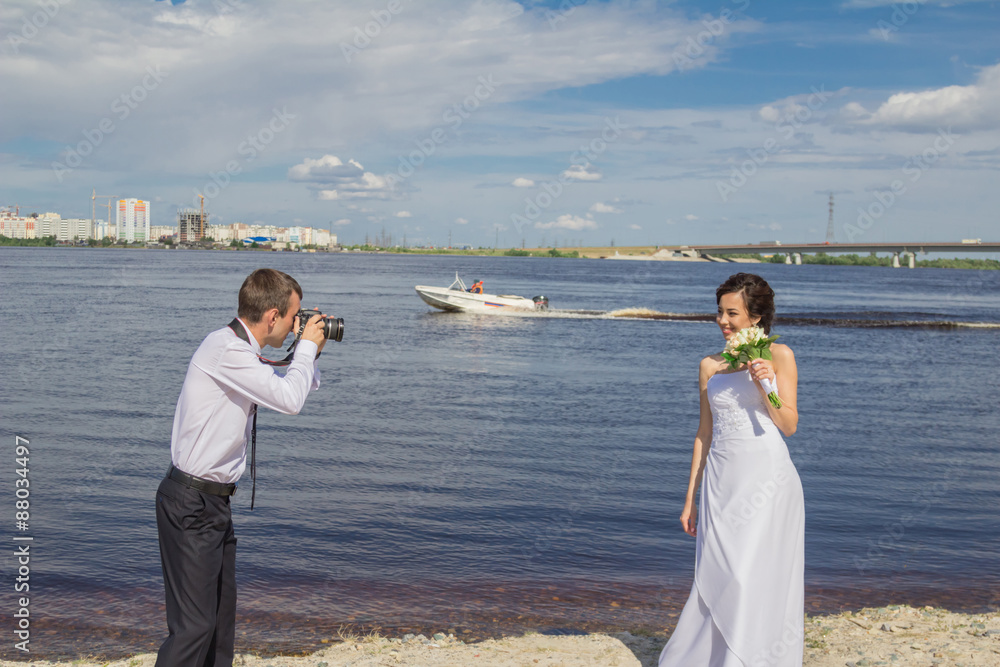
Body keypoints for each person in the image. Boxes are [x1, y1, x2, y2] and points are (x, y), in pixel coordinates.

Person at [154, 268, 328, 667]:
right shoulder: (226, 350)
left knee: (218, 625)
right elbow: (289, 399)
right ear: (271, 316)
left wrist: (309, 350)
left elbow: (290, 385)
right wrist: (304, 350)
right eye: (292, 317)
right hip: (191, 503)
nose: (293, 326)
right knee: (194, 628)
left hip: (211, 505)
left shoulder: (239, 351)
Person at [659, 272, 803, 667]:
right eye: (719, 312)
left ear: (756, 317)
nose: (723, 321)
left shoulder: (780, 355)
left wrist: (766, 385)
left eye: (732, 313)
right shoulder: (709, 365)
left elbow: (788, 425)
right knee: (722, 572)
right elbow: (704, 433)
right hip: (721, 484)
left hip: (768, 480)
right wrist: (690, 498)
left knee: (751, 574)